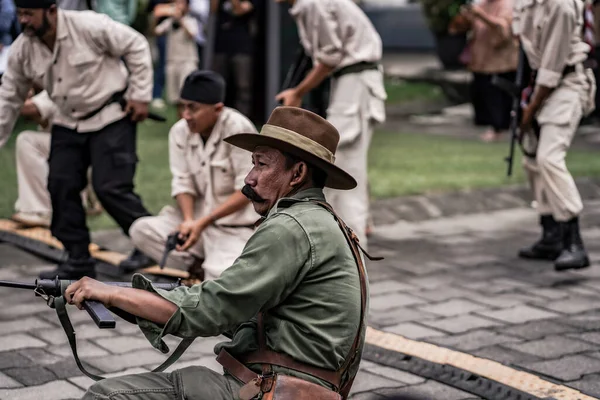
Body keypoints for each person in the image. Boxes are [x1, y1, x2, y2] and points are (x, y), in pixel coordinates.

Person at [66, 106, 368, 400]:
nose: (249, 178)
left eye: (262, 165)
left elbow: (210, 310)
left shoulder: (290, 227)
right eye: (253, 164)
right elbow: (240, 314)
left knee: (107, 395)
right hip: (290, 383)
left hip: (275, 388)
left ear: (298, 173)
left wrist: (112, 293)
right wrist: (133, 301)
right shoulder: (323, 221)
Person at [0, 0, 154, 280]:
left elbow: (136, 44)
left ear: (51, 10)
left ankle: (150, 245)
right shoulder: (23, 49)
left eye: (29, 14)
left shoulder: (89, 25)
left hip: (110, 114)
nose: (23, 21)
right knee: (60, 184)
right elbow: (8, 99)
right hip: (67, 120)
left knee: (110, 187)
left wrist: (140, 94)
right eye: (20, 14)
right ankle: (78, 257)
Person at [120, 71, 258, 281]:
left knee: (223, 277)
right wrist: (188, 221)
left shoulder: (238, 128)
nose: (186, 114)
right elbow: (182, 182)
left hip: (232, 229)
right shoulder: (179, 132)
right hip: (197, 225)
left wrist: (203, 222)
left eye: (193, 108)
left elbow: (249, 190)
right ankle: (197, 266)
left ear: (217, 109)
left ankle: (210, 269)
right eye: (183, 106)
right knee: (141, 230)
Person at [275, 0, 387, 248]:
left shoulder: (312, 3)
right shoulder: (308, 5)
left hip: (355, 84)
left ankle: (352, 252)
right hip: (351, 83)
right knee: (348, 163)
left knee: (342, 169)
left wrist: (298, 91)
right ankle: (357, 231)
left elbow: (330, 56)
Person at [514, 0, 596, 271]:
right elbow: (525, 43)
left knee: (549, 157)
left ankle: (574, 242)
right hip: (538, 84)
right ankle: (550, 235)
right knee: (532, 159)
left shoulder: (561, 5)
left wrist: (529, 112)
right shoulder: (526, 2)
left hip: (567, 84)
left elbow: (552, 69)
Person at [449, 0, 519, 142]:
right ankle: (492, 127)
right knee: (483, 94)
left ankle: (501, 128)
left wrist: (481, 15)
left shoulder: (507, 4)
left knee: (500, 97)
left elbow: (504, 28)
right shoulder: (480, 4)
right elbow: (459, 28)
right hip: (481, 60)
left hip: (502, 61)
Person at [211, 0, 258, 118]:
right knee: (216, 85)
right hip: (221, 47)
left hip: (241, 47)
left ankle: (242, 122)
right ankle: (215, 119)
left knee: (243, 87)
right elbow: (213, 9)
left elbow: (239, 10)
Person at [154, 0, 200, 106]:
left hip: (187, 62)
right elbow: (156, 32)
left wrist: (180, 19)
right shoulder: (169, 21)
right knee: (174, 98)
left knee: (187, 96)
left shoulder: (191, 20)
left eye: (182, 3)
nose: (178, 6)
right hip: (172, 61)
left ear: (188, 7)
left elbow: (192, 34)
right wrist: (156, 17)